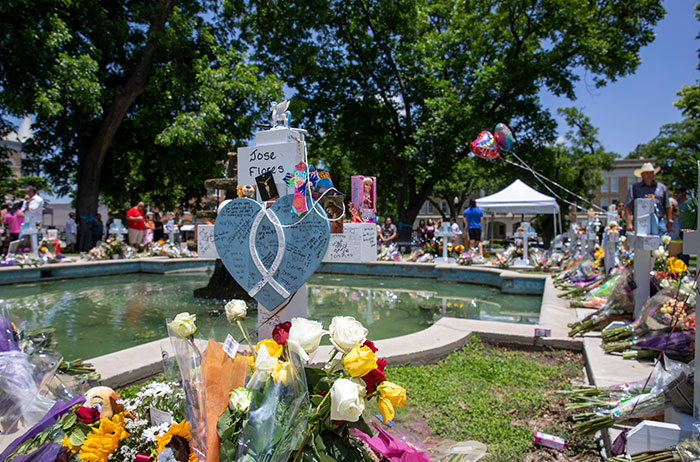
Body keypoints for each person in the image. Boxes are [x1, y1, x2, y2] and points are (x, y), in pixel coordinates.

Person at [624, 162, 672, 236]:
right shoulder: (634, 188)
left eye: (651, 173)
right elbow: (627, 206)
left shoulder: (662, 188)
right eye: (647, 173)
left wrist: (669, 221)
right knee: (641, 244)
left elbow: (667, 206)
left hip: (659, 220)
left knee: (660, 243)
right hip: (640, 221)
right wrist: (629, 223)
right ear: (642, 175)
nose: (649, 175)